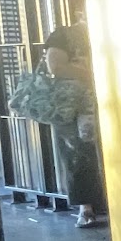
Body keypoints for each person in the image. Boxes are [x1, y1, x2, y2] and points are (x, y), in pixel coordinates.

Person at [40, 22, 104, 229]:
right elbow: (56, 67)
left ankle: (95, 205)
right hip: (76, 107)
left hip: (95, 103)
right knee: (79, 154)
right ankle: (86, 207)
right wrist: (91, 74)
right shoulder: (64, 35)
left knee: (85, 153)